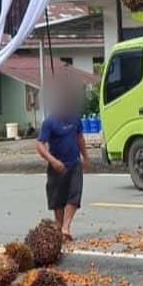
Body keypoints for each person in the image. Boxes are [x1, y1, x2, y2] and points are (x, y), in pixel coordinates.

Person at [35, 90, 89, 241]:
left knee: (74, 195)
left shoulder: (75, 119)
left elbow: (80, 139)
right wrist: (52, 160)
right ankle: (60, 230)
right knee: (57, 201)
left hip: (74, 163)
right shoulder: (50, 122)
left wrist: (85, 157)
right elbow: (40, 145)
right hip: (57, 166)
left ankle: (66, 227)